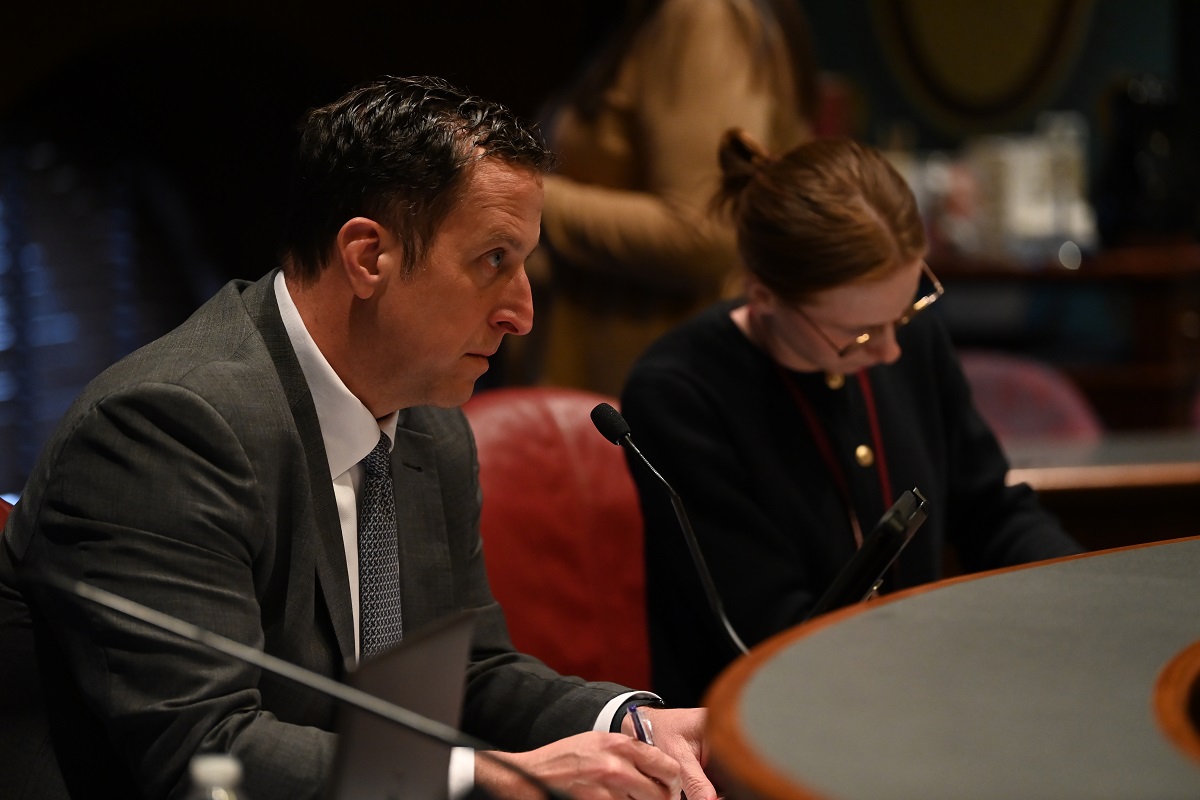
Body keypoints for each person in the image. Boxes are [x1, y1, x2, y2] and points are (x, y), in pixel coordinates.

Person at [0, 76, 714, 800]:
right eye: (494, 260)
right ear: (369, 257)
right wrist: (498, 776)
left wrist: (634, 727)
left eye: (526, 262)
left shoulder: (428, 423)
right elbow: (203, 753)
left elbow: (465, 674)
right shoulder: (168, 428)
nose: (522, 313)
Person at [619, 130, 1085, 707]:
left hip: (911, 692)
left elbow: (990, 511)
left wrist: (1080, 597)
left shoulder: (908, 338)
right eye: (859, 334)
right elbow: (770, 632)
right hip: (766, 720)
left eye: (907, 308)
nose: (890, 351)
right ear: (763, 298)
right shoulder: (681, 393)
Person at [526, 0, 818, 394]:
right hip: (612, 373)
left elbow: (701, 230)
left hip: (647, 388)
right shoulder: (659, 15)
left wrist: (520, 193)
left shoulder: (705, 14)